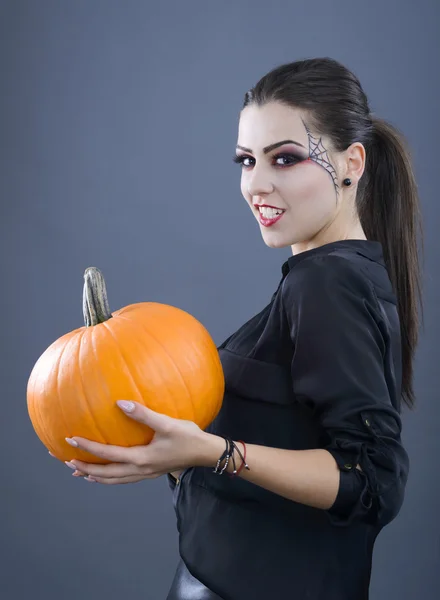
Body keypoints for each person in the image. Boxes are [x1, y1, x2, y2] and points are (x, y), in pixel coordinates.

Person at [63, 57, 424, 600]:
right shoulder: (328, 276)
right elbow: (293, 437)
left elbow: (373, 482)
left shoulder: (326, 285)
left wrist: (210, 452)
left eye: (284, 158)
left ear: (352, 163)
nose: (256, 184)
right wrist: (184, 457)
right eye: (247, 160)